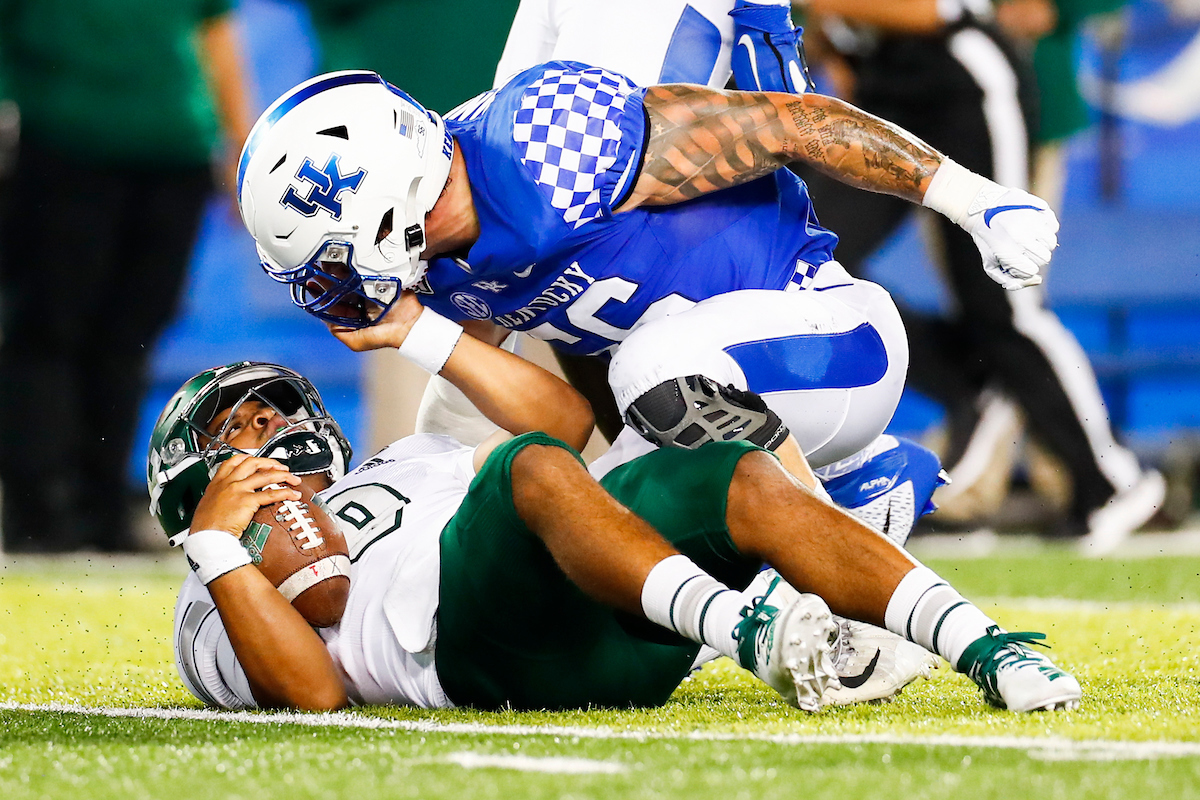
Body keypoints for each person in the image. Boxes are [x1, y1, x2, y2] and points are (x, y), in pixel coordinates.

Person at [236, 58, 1063, 545]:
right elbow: (549, 420)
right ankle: (854, 489)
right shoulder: (440, 267)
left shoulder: (542, 140)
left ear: (385, 197)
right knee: (588, 527)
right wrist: (416, 348)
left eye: (329, 255)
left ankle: (841, 570)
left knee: (650, 367)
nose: (331, 286)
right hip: (712, 403)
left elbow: (789, 125)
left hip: (832, 339)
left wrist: (968, 198)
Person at [151, 292, 1081, 713]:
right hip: (474, 649)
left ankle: (987, 648)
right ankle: (748, 622)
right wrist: (222, 551)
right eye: (237, 432)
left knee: (729, 466)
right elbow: (313, 693)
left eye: (271, 415)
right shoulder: (209, 587)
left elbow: (561, 420)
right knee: (526, 467)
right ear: (185, 479)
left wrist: (429, 330)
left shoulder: (408, 455)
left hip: (614, 636)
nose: (265, 435)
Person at [789, 0, 1163, 547]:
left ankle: (1112, 478)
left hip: (965, 86)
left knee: (1003, 304)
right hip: (886, 90)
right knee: (807, 249)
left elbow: (941, 10)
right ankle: (974, 378)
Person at [0, 0, 254, 552]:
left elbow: (214, 26)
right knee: (49, 333)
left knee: (129, 339)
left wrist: (241, 144)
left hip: (171, 153)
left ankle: (101, 507)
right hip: (62, 145)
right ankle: (39, 507)